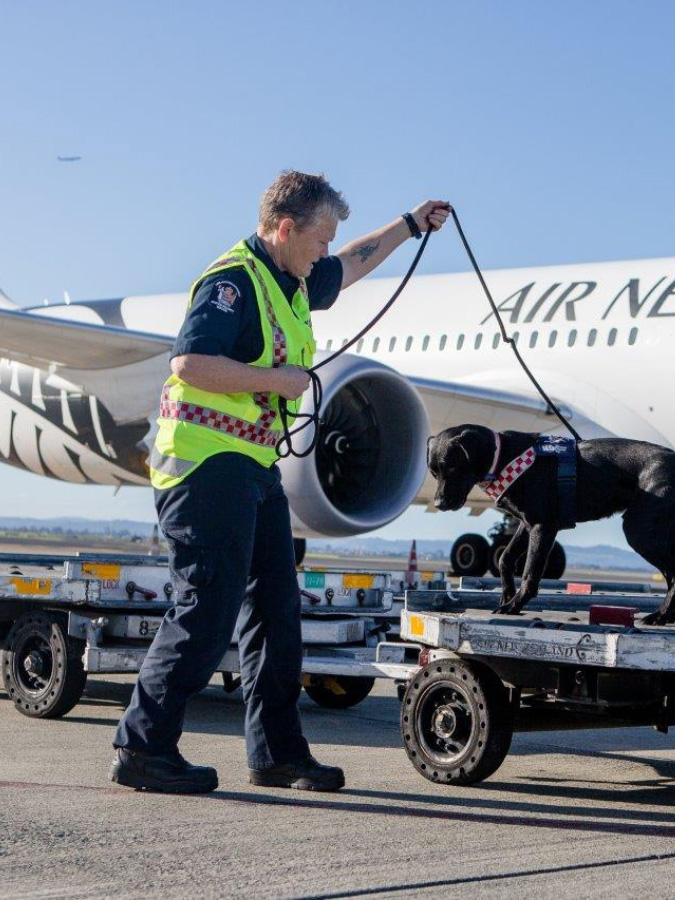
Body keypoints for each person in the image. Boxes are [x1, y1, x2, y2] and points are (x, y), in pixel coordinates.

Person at [111, 170, 449, 793]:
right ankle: (142, 747)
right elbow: (189, 361)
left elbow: (349, 264)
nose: (325, 251)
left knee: (275, 612)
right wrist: (279, 381)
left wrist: (409, 224)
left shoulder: (290, 280)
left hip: (255, 468)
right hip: (205, 466)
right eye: (318, 238)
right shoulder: (234, 282)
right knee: (205, 610)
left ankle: (277, 754)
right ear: (285, 228)